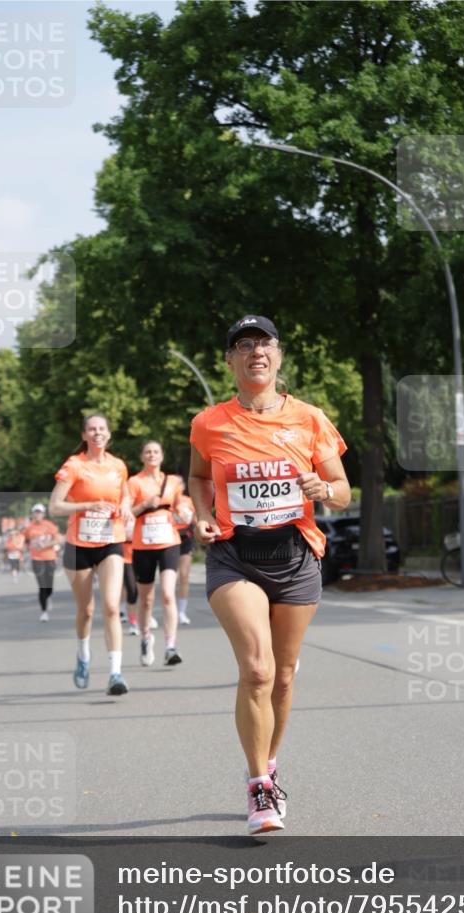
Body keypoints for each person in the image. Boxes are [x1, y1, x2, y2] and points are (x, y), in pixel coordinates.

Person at [189, 315, 350, 835]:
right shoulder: (209, 423)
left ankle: (268, 761)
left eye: (264, 343)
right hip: (235, 555)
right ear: (231, 360)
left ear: (278, 356)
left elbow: (343, 489)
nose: (255, 351)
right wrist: (202, 512)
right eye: (243, 345)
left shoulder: (309, 419)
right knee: (256, 669)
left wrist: (324, 491)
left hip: (297, 555)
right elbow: (196, 475)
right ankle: (260, 786)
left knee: (283, 675)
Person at [48, 413, 132, 696]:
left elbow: (126, 495)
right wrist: (87, 506)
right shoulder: (74, 466)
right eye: (92, 429)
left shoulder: (118, 466)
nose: (98, 433)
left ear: (108, 435)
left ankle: (115, 673)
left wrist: (127, 509)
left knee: (111, 606)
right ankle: (83, 654)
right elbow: (55, 507)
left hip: (111, 541)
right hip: (78, 546)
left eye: (102, 429)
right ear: (84, 435)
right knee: (86, 610)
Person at [128, 441, 193, 667]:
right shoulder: (134, 482)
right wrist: (145, 504)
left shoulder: (173, 481)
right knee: (146, 599)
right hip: (143, 545)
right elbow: (127, 513)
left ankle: (170, 646)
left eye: (156, 451)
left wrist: (184, 511)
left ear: (162, 456)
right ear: (142, 456)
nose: (152, 455)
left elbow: (179, 504)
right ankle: (146, 637)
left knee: (167, 594)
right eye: (148, 451)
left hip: (168, 542)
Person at [23, 503, 62, 622]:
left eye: (39, 512)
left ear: (43, 514)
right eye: (35, 512)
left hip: (50, 557)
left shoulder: (50, 526)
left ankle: (48, 596)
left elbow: (57, 540)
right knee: (42, 585)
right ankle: (44, 612)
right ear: (32, 514)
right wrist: (28, 548)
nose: (37, 514)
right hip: (36, 559)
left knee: (49, 586)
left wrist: (45, 544)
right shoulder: (29, 528)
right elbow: (26, 541)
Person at [176, 494, 196, 625]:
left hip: (185, 537)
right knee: (169, 578)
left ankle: (181, 612)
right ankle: (171, 608)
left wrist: (192, 520)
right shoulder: (166, 499)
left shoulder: (189, 500)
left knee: (184, 576)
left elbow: (196, 518)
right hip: (168, 536)